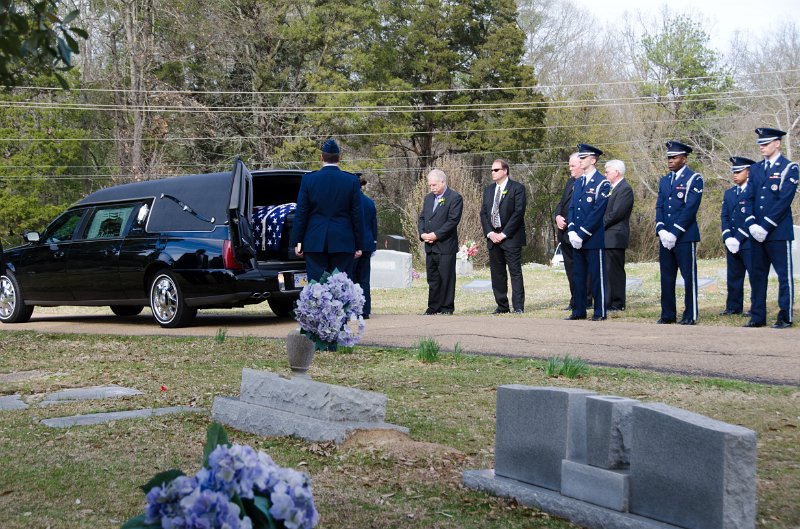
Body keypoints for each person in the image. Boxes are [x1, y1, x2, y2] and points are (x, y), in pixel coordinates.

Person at [745, 127, 798, 329]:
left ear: (777, 143)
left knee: (784, 276)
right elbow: (748, 197)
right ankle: (757, 316)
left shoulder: (789, 168)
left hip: (777, 232)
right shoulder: (756, 169)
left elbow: (783, 200)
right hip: (756, 232)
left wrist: (766, 226)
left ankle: (785, 315)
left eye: (765, 143)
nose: (762, 147)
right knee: (757, 276)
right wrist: (751, 223)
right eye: (760, 144)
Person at [290, 138, 362, 282]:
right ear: (339, 158)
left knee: (317, 289)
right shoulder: (351, 180)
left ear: (321, 157)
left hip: (315, 241)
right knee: (341, 289)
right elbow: (357, 215)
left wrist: (298, 243)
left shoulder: (309, 180)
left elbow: (301, 214)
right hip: (343, 241)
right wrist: (359, 244)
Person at [655, 140, 704, 325]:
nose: (670, 160)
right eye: (668, 157)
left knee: (688, 276)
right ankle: (667, 314)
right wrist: (660, 229)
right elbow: (659, 206)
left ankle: (690, 314)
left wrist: (674, 232)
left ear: (684, 158)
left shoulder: (694, 179)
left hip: (684, 236)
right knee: (666, 277)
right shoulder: (665, 180)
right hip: (665, 236)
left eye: (674, 157)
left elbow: (690, 209)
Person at [566, 143, 610, 321]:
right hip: (576, 237)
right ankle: (578, 310)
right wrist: (571, 231)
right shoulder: (579, 182)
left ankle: (599, 311)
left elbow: (597, 212)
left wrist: (581, 234)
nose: (580, 161)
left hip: (592, 238)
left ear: (593, 160)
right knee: (578, 276)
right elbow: (572, 208)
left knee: (597, 276)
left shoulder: (602, 183)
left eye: (583, 158)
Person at [480, 159, 527, 314]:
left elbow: (518, 213)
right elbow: (484, 213)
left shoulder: (517, 188)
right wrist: (490, 233)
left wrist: (504, 234)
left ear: (505, 171)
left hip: (511, 237)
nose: (493, 172)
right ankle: (502, 306)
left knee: (515, 272)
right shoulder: (488, 190)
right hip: (493, 238)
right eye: (492, 170)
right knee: (497, 273)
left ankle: (518, 306)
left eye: (496, 170)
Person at [418, 169, 464, 315]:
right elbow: (422, 218)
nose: (432, 188)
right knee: (432, 278)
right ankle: (433, 307)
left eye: (434, 185)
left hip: (445, 245)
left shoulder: (455, 198)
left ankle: (446, 307)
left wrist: (436, 235)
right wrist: (422, 234)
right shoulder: (428, 198)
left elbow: (452, 221)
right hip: (430, 246)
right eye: (430, 185)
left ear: (443, 182)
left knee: (446, 278)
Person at [720, 156, 756, 317]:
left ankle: (755, 306)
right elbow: (725, 217)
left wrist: (739, 237)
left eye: (738, 171)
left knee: (754, 275)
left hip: (748, 241)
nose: (735, 175)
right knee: (734, 275)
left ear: (748, 172)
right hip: (732, 240)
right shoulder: (729, 193)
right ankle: (733, 306)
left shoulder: (754, 191)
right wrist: (727, 236)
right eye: (733, 172)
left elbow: (754, 216)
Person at [554, 153, 586, 311]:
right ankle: (575, 299)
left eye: (573, 166)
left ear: (582, 165)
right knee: (571, 270)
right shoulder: (570, 182)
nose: (570, 169)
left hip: (578, 233)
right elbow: (561, 203)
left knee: (582, 270)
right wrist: (557, 216)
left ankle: (586, 299)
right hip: (564, 234)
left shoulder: (588, 182)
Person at [603, 159, 634, 312]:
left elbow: (616, 214)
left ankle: (618, 302)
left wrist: (597, 226)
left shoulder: (625, 189)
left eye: (607, 171)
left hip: (616, 236)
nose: (605, 174)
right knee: (607, 271)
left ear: (617, 172)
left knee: (615, 271)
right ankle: (608, 301)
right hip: (607, 237)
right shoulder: (611, 188)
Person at [354, 177, 378, 319]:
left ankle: (353, 308)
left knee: (350, 277)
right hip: (368, 243)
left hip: (354, 245)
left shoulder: (350, 202)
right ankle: (365, 309)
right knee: (364, 279)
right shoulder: (369, 202)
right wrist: (374, 243)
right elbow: (373, 225)